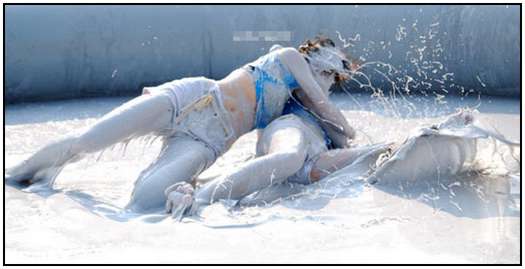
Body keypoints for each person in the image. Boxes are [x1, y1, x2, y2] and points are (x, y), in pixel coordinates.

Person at [5, 36, 356, 212]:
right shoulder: (289, 56)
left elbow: (312, 135)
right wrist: (348, 129)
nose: (328, 77)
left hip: (208, 141)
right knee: (84, 142)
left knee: (144, 203)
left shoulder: (292, 108)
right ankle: (16, 175)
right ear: (313, 50)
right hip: (192, 98)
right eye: (328, 66)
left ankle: (191, 186)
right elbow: (333, 116)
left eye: (333, 76)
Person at [165, 109, 519, 220]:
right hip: (294, 142)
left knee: (376, 154)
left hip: (316, 164)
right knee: (288, 158)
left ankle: (432, 131)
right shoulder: (291, 115)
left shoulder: (319, 124)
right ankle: (200, 197)